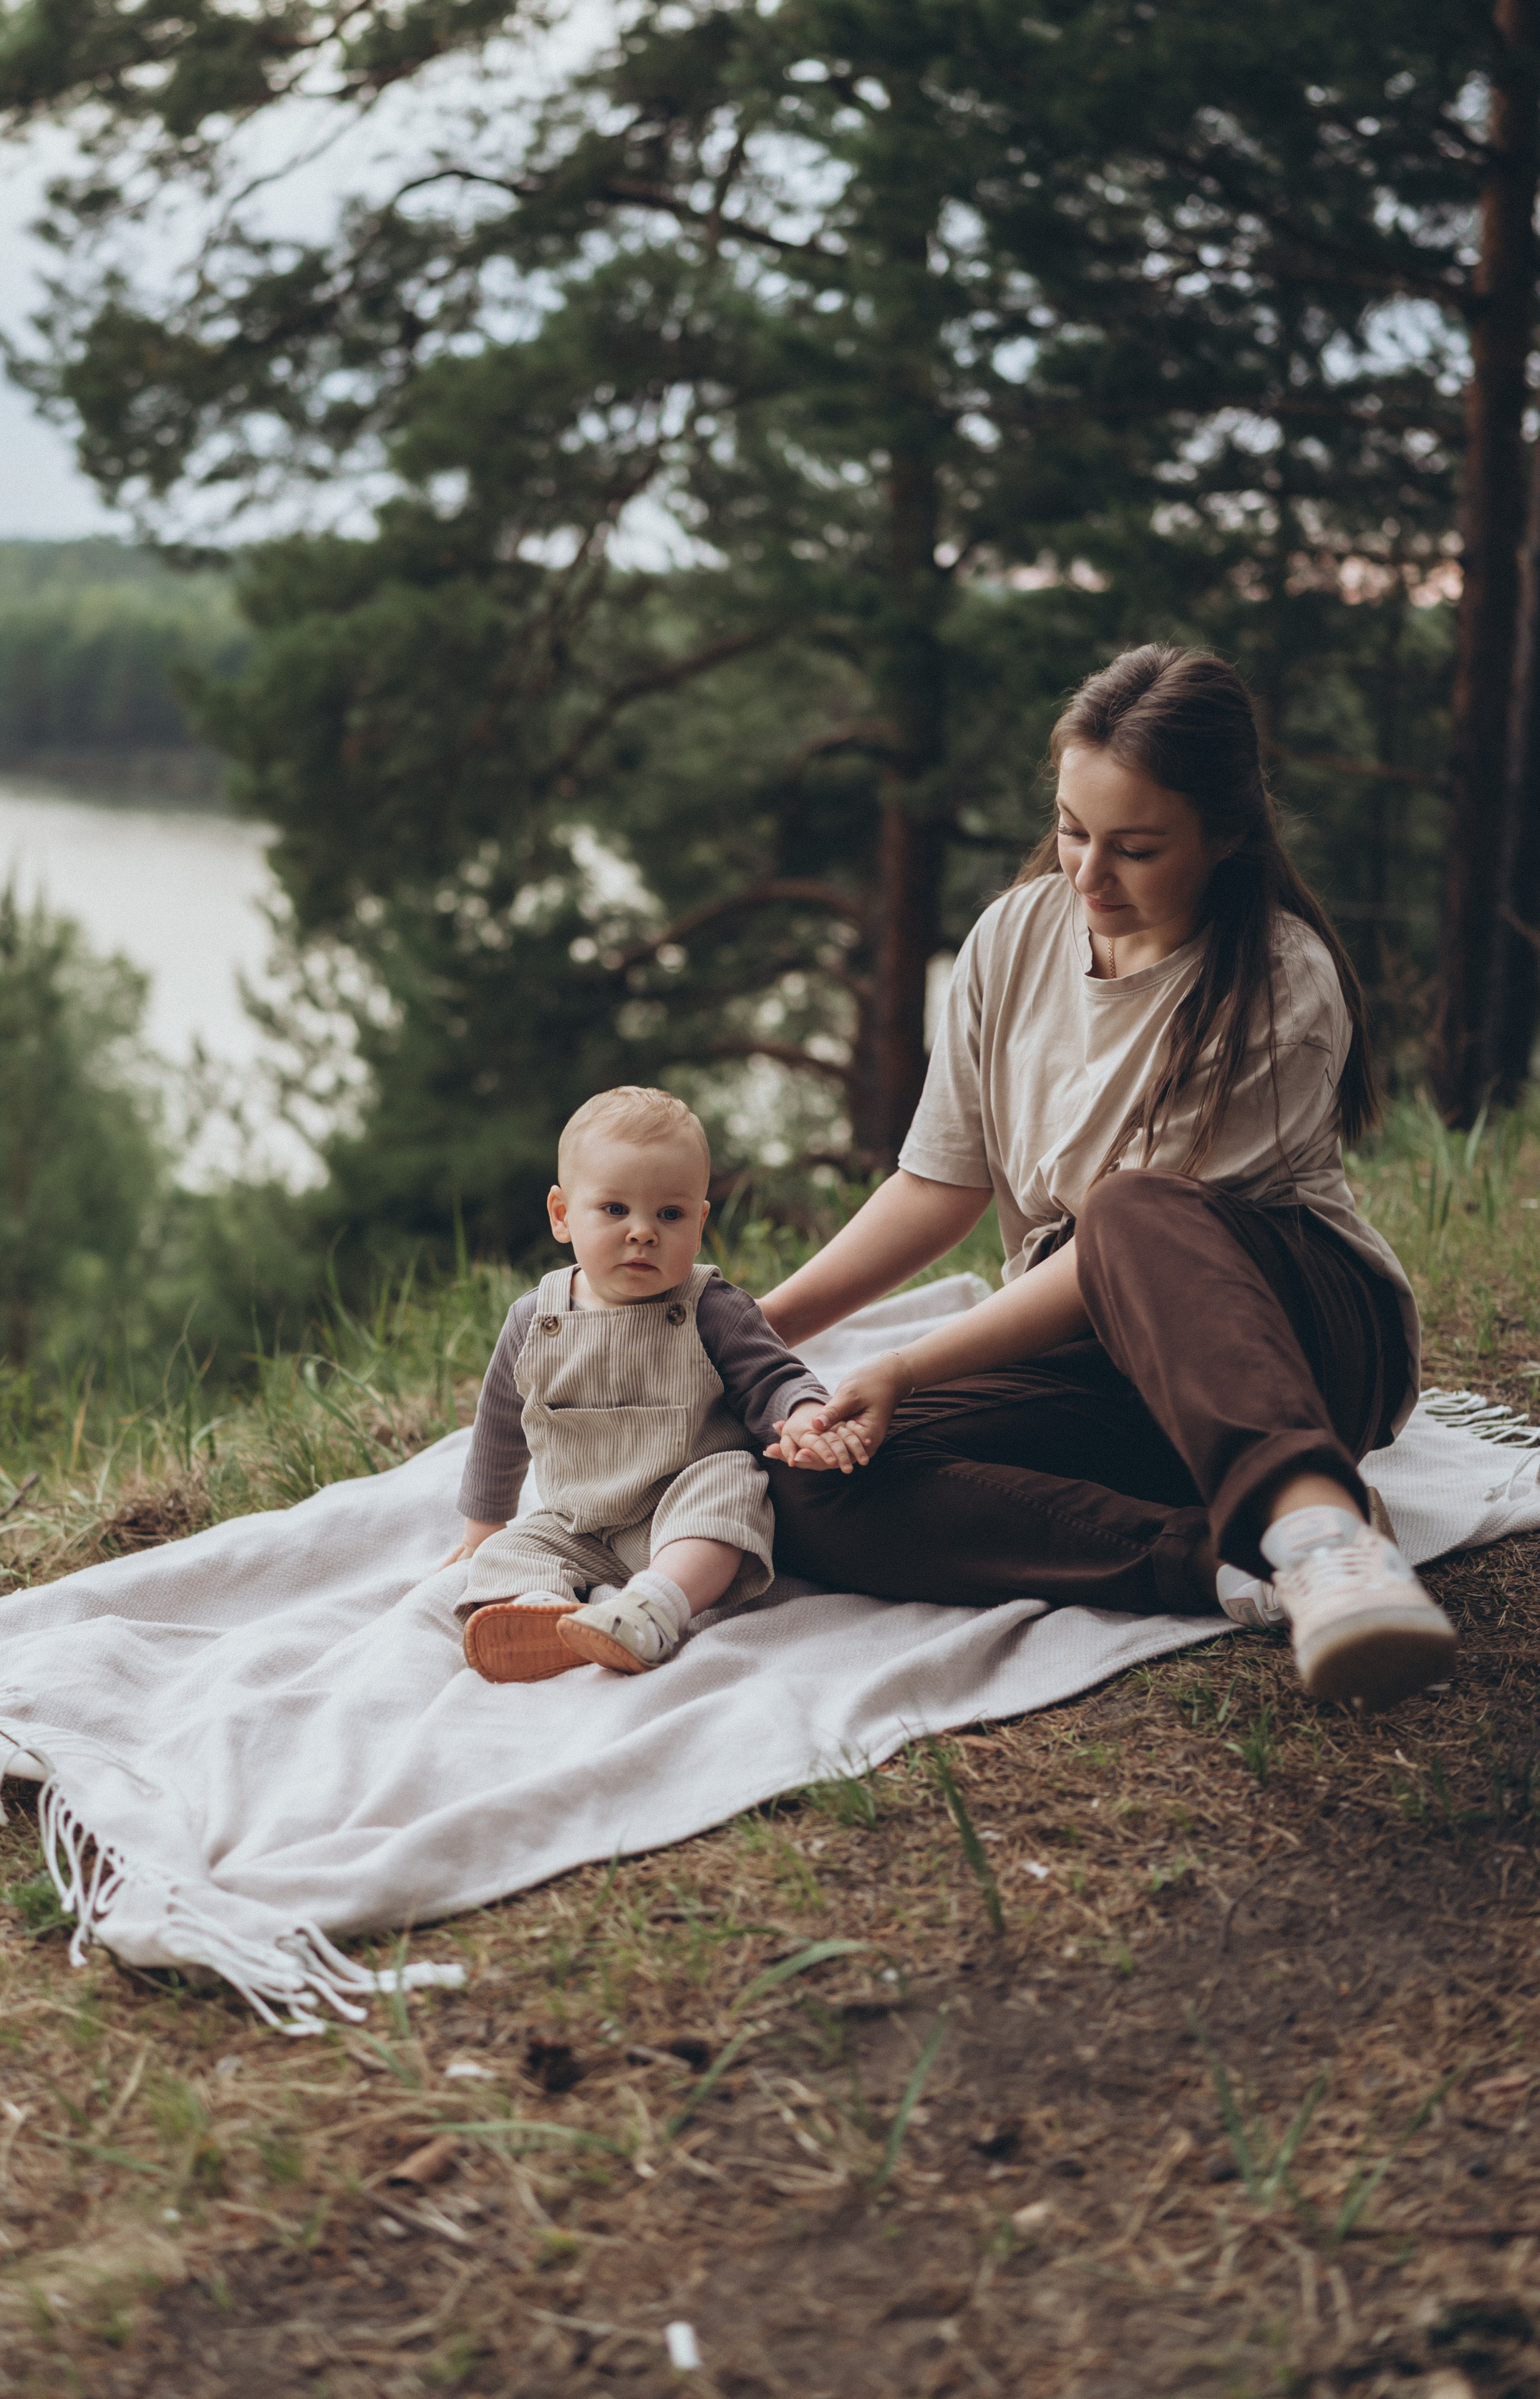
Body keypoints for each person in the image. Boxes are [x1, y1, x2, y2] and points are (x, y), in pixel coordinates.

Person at [760, 644, 1457, 1715]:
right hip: (1102, 1364)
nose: (1087, 876)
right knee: (811, 1483)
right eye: (1072, 831)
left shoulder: (1282, 984)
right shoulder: (1013, 935)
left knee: (1129, 1208)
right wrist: (753, 1336)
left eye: (1134, 848)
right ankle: (1222, 1570)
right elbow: (939, 1183)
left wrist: (903, 1363)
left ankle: (1320, 1522)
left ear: (1228, 837)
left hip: (1290, 1341)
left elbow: (1109, 1258)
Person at [447, 1087, 826, 1682]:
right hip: (579, 1523)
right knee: (510, 1551)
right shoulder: (534, 1318)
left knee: (728, 1488)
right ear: (562, 1214)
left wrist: (802, 1411)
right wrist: (482, 1527)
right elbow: (498, 1425)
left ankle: (655, 1608)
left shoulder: (712, 1307)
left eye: (669, 1214)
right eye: (615, 1210)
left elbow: (772, 1375)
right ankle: (544, 1613)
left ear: (699, 1223)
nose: (643, 1232)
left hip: (675, 1511)